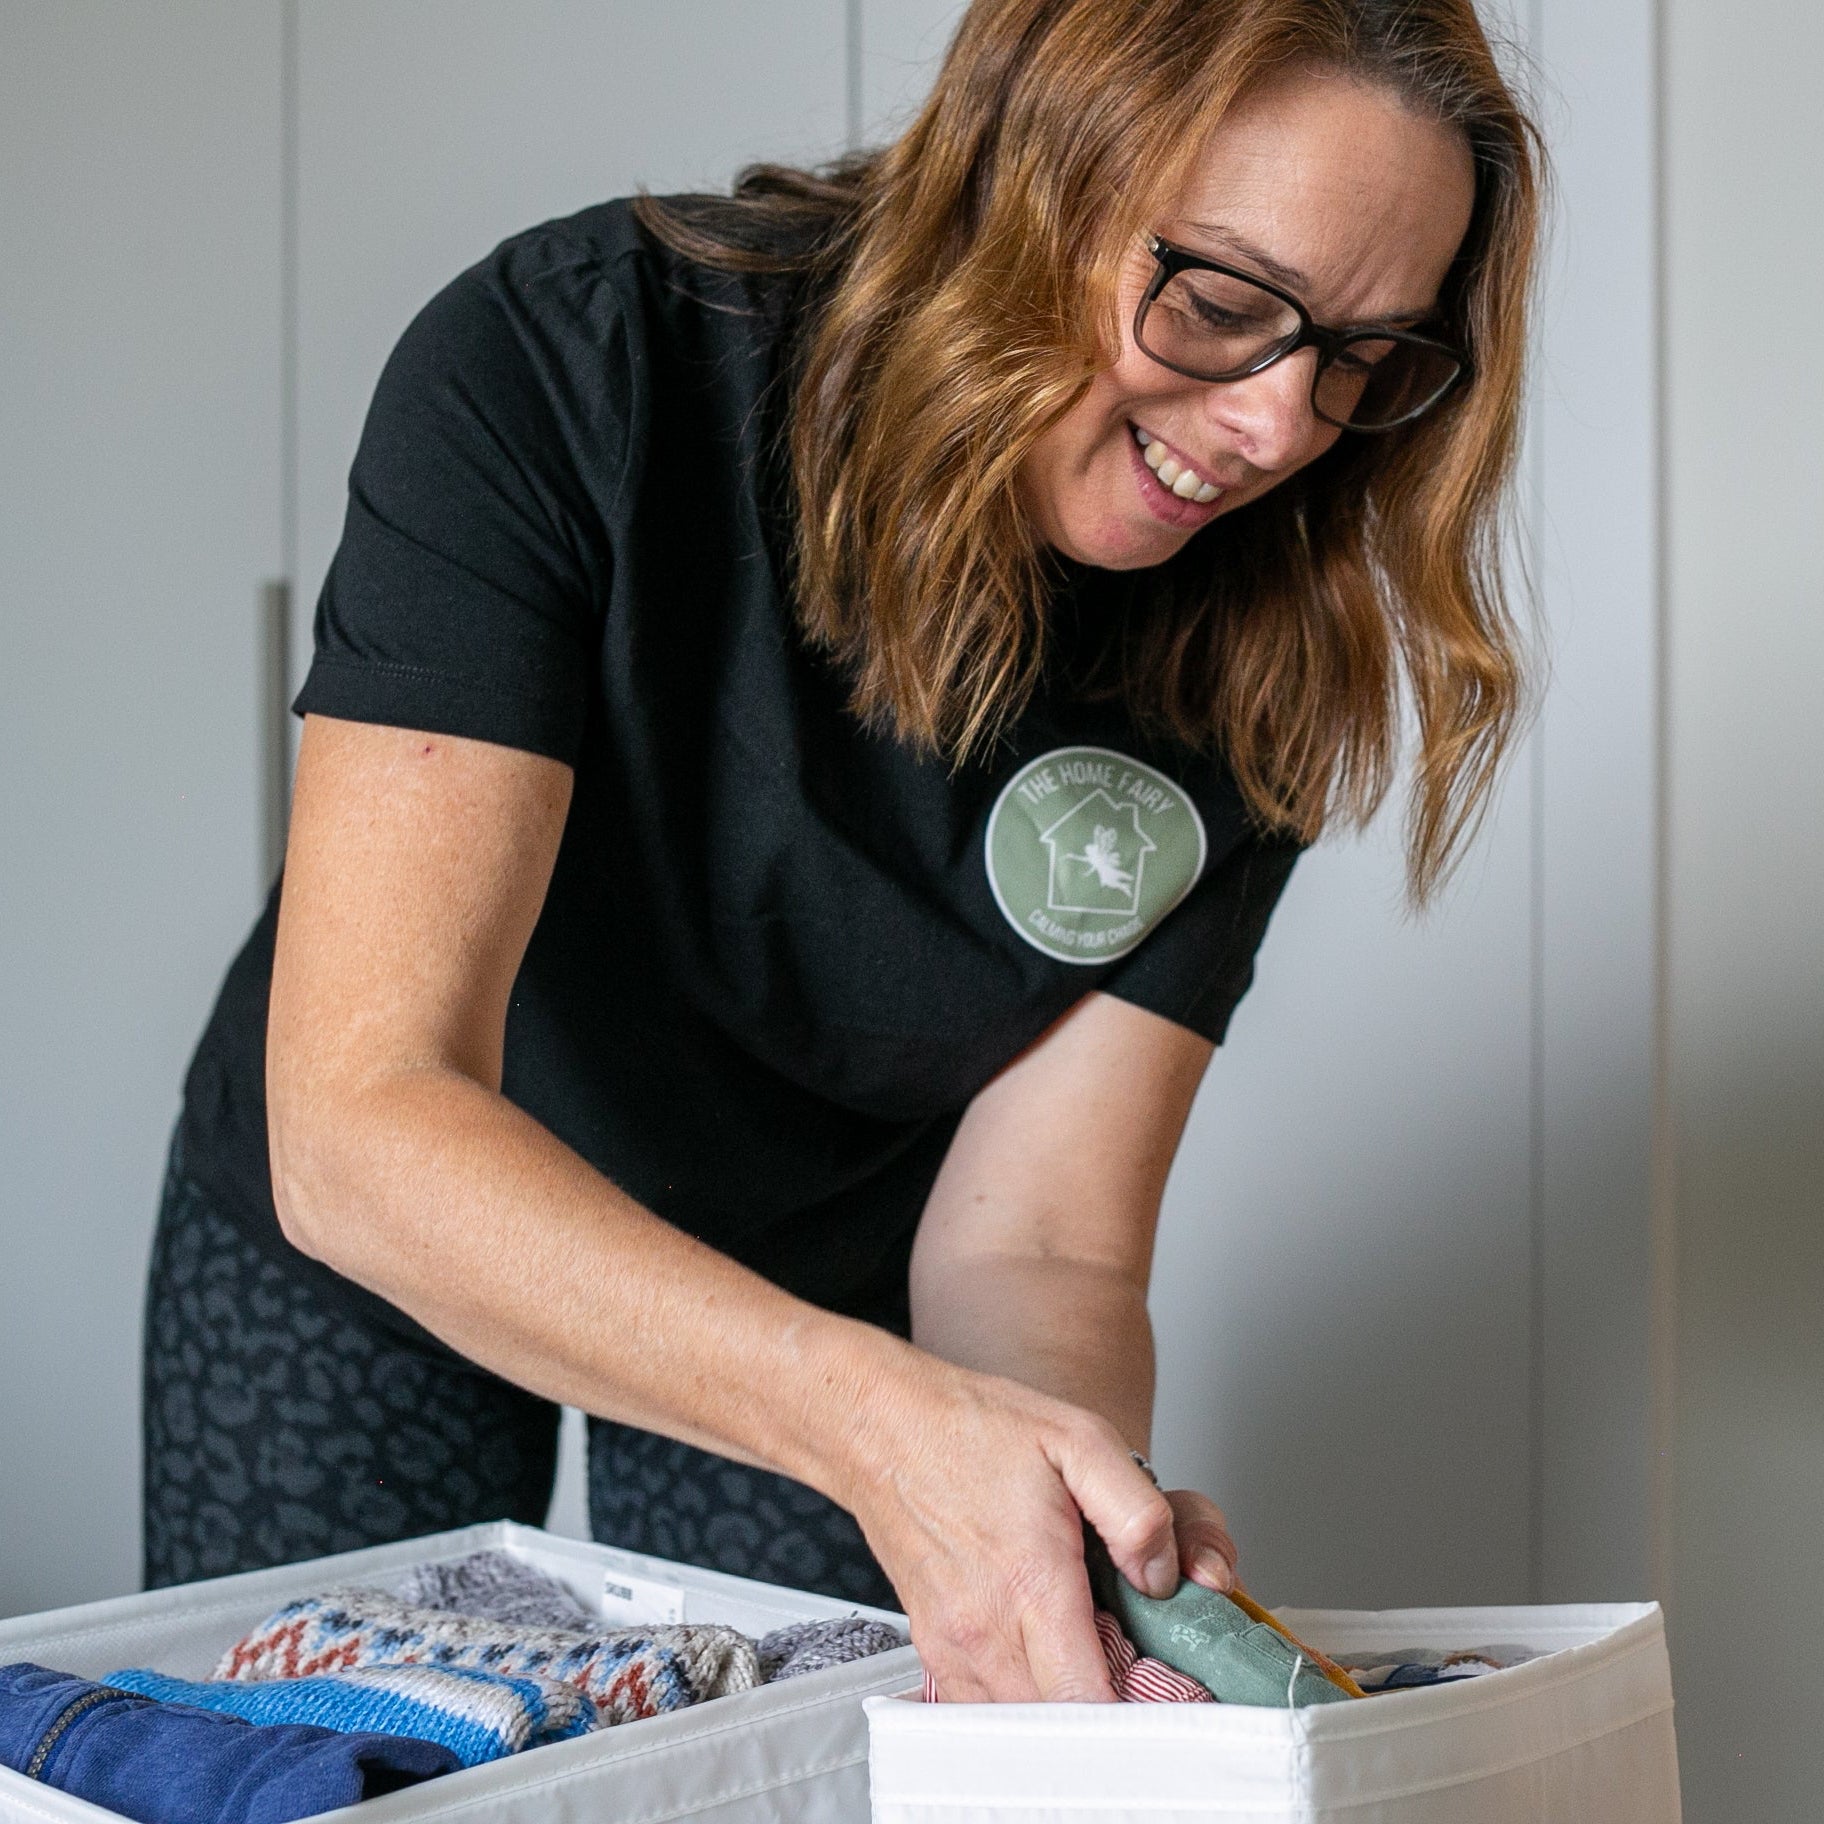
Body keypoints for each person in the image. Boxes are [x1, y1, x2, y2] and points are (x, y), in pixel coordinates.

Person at [144, 0, 1541, 1705]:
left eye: (1363, 360)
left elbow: (1044, 1250)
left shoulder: (1266, 634)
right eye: (1226, 304)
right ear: (1024, 169)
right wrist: (884, 1424)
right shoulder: (573, 361)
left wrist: (1058, 1507)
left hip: (828, 1270)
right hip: (405, 1211)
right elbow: (364, 1117)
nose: (1276, 431)